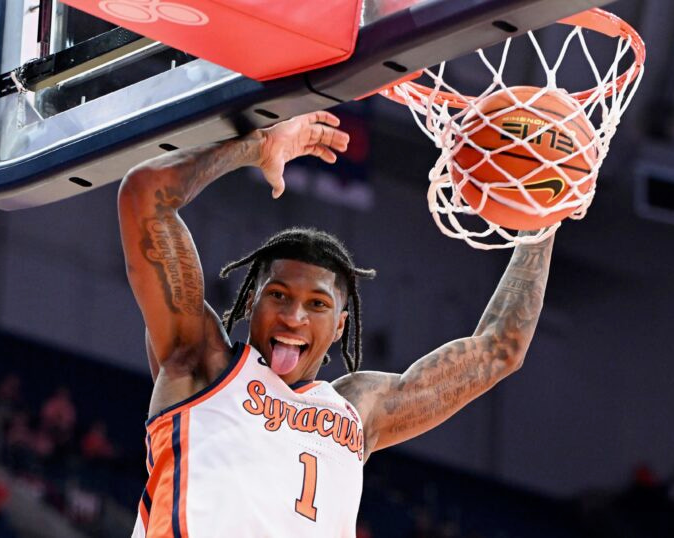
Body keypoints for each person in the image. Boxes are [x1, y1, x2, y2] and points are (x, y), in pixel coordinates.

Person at [117, 111, 554, 537]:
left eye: (317, 304)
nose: (294, 317)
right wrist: (258, 147)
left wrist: (544, 213)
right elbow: (144, 194)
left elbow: (500, 348)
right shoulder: (202, 362)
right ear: (251, 301)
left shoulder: (357, 409)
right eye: (279, 295)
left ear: (340, 326)